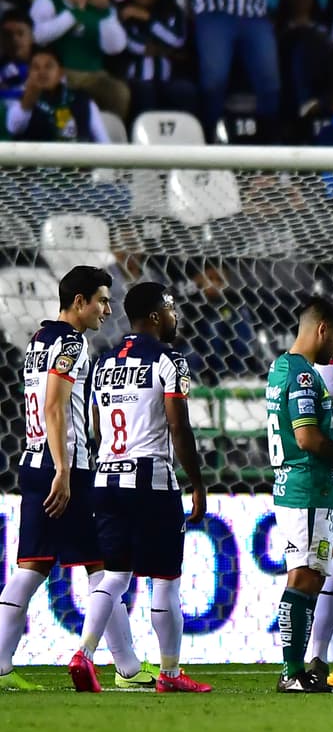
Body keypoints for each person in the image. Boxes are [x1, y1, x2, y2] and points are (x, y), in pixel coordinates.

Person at [0, 267, 147, 693]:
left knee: (33, 564)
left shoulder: (38, 340)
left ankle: (2, 664)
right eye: (101, 299)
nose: (107, 308)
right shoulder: (70, 343)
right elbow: (54, 407)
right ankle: (129, 668)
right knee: (103, 565)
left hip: (32, 460)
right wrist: (64, 469)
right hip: (64, 466)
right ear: (79, 301)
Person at [69, 283, 211, 694]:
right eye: (170, 309)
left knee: (113, 575)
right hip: (151, 480)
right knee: (165, 580)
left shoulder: (104, 362)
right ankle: (169, 674)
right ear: (154, 316)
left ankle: (83, 653)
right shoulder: (170, 360)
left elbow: (96, 426)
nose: (174, 316)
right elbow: (178, 426)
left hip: (106, 476)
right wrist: (197, 482)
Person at [267, 296, 333, 694]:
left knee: (307, 574)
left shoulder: (281, 367)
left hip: (294, 485)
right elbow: (307, 437)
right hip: (310, 487)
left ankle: (295, 668)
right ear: (323, 329)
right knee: (305, 576)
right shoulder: (306, 376)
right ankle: (292, 670)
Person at [160, 0, 326, 142]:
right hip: (215, 14)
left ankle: (267, 146)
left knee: (270, 84)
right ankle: (209, 139)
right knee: (214, 81)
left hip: (254, 16)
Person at [29, 0, 130, 120]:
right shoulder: (48, 2)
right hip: (59, 75)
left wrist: (106, 11)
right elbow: (40, 36)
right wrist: (76, 12)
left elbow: (115, 47)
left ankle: (109, 140)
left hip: (94, 76)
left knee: (119, 92)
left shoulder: (100, 11)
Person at [118, 0, 198, 118]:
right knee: (145, 91)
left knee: (186, 90)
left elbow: (177, 40)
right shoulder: (123, 14)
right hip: (138, 81)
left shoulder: (173, 11)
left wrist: (148, 18)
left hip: (169, 81)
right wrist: (165, 49)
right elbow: (134, 45)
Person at [6, 48, 111, 143]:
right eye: (36, 68)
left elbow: (103, 142)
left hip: (76, 160)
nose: (42, 72)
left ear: (60, 73)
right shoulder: (20, 100)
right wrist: (28, 101)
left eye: (48, 67)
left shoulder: (82, 99)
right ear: (29, 73)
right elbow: (13, 128)